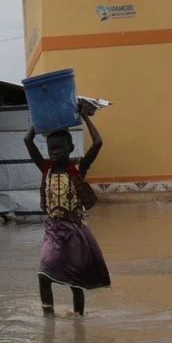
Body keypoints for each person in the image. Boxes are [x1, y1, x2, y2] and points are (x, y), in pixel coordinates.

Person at [24, 103, 110, 317]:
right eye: (51, 149)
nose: (54, 153)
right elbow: (27, 140)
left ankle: (79, 319)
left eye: (60, 149)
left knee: (76, 281)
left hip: (75, 230)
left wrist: (85, 117)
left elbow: (98, 143)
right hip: (53, 229)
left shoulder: (77, 169)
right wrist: (39, 117)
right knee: (44, 275)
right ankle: (48, 318)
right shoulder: (46, 169)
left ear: (71, 149)